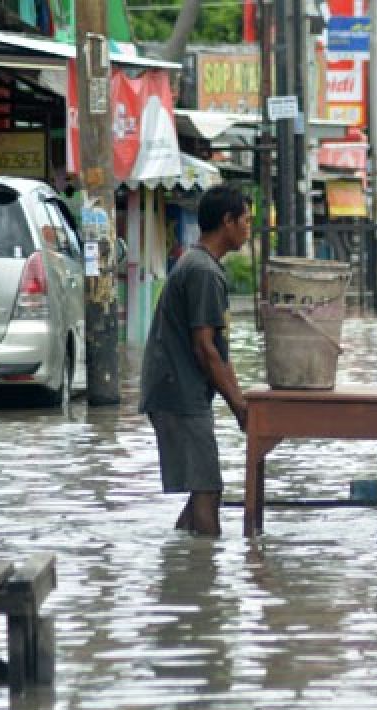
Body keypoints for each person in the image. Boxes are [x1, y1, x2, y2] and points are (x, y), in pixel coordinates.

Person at [139, 184, 251, 537]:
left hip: (176, 392)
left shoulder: (198, 264)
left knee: (201, 487)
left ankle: (185, 567)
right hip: (178, 394)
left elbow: (218, 351)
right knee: (207, 488)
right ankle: (205, 580)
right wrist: (239, 407)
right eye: (246, 220)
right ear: (227, 221)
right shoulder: (203, 272)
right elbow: (206, 349)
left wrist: (241, 400)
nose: (249, 228)